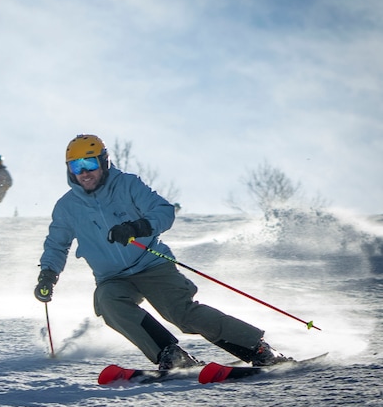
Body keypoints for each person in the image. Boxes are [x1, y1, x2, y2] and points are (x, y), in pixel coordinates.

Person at [33, 134, 290, 370]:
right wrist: (48, 275)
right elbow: (57, 244)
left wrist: (139, 226)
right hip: (112, 277)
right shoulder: (67, 207)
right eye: (76, 166)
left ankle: (257, 348)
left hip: (151, 264)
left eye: (89, 164)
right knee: (108, 302)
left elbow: (163, 210)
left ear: (103, 162)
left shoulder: (127, 184)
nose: (84, 172)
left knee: (181, 313)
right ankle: (171, 354)